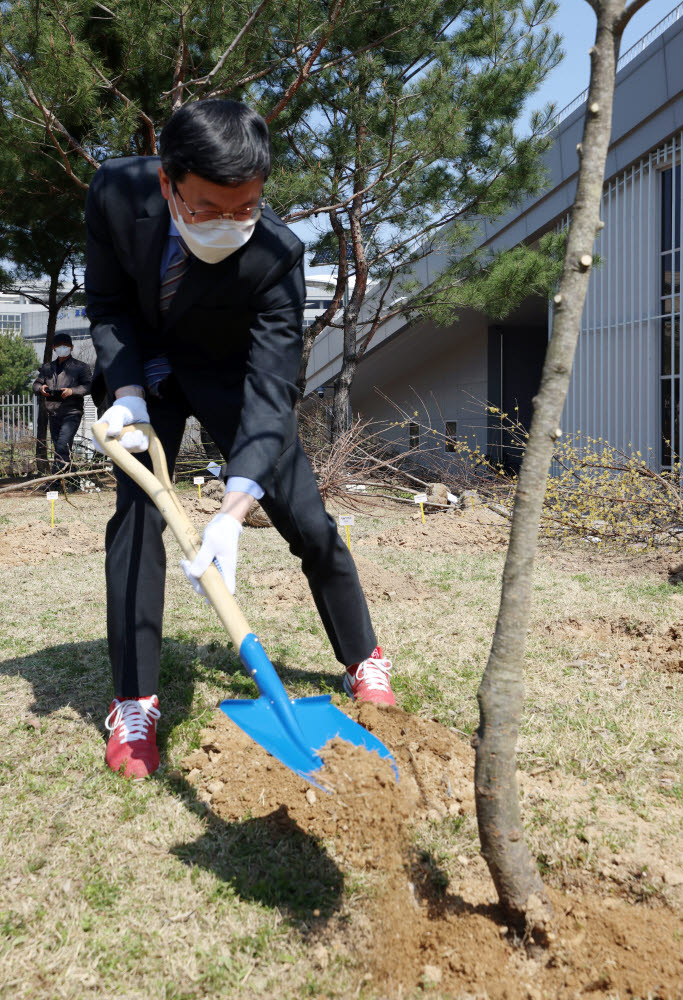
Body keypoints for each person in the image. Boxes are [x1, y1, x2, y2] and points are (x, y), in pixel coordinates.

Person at [85, 100, 397, 780]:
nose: (230, 224)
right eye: (207, 209)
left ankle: (362, 655)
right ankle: (135, 701)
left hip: (235, 383)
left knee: (308, 519)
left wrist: (232, 510)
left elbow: (272, 386)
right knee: (137, 522)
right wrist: (128, 392)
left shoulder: (277, 254)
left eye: (246, 208)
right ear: (168, 183)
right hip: (149, 376)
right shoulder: (115, 192)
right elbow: (108, 306)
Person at [32, 333, 93, 485]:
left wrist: (72, 391)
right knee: (62, 449)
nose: (62, 349)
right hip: (53, 413)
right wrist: (41, 389)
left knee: (61, 445)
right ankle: (72, 480)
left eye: (65, 346)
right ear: (53, 348)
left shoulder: (81, 367)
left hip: (72, 413)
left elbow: (89, 386)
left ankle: (53, 483)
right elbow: (36, 384)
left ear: (72, 348)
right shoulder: (47, 368)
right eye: (59, 346)